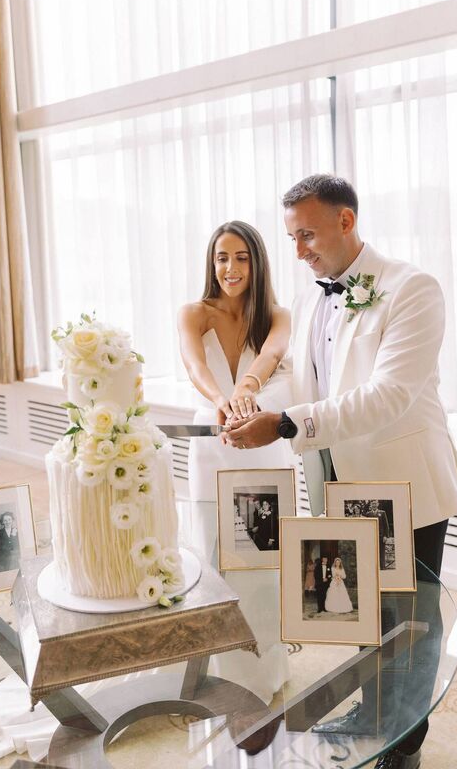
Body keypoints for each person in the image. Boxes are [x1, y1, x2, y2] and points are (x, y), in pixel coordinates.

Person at [224, 174, 457, 769]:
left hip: (402, 484)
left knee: (407, 623)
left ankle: (404, 744)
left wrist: (286, 424)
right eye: (292, 236)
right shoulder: (312, 294)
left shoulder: (412, 288)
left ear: (345, 221)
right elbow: (312, 380)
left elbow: (388, 395)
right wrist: (249, 400)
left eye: (307, 233)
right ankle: (371, 715)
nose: (299, 249)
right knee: (360, 610)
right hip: (334, 481)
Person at [177, 220, 294, 704]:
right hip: (211, 446)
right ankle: (222, 674)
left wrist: (247, 388)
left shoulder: (277, 314)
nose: (230, 267)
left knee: (264, 562)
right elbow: (194, 364)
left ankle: (267, 667)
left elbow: (271, 354)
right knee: (214, 555)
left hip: (265, 447)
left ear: (257, 262)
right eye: (222, 257)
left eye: (241, 257)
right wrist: (222, 398)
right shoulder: (194, 312)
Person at [363, 500, 391, 570]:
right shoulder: (368, 514)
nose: (374, 505)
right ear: (371, 505)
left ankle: (382, 567)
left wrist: (385, 536)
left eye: (375, 504)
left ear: (378, 504)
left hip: (381, 536)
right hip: (371, 536)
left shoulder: (382, 513)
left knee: (381, 552)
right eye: (372, 504)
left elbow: (386, 525)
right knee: (371, 552)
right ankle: (372, 568)